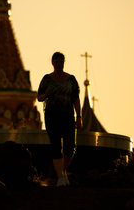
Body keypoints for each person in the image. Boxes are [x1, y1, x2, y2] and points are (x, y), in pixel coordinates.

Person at [37, 52, 81, 186]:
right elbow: (39, 97)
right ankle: (61, 178)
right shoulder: (47, 79)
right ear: (52, 63)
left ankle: (62, 172)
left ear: (64, 62)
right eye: (56, 61)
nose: (58, 63)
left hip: (68, 116)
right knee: (56, 146)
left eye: (61, 61)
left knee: (70, 147)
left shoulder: (71, 79)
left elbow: (76, 98)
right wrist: (46, 94)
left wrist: (79, 116)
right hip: (52, 116)